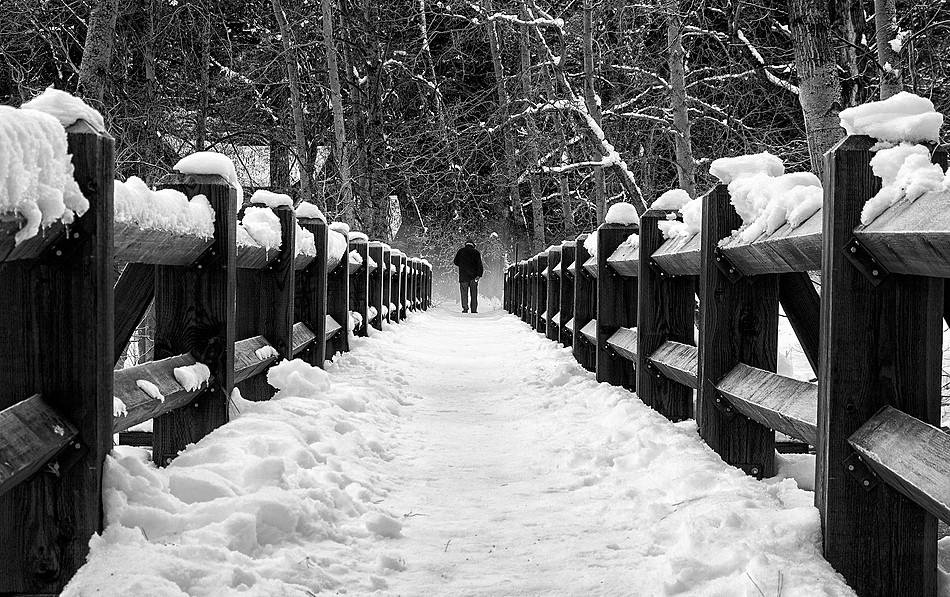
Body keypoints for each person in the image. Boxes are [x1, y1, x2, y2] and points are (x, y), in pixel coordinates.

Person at [453, 239, 484, 313]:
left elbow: (455, 262)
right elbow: (479, 265)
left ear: (466, 244)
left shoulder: (461, 251)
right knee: (474, 293)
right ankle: (474, 309)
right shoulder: (476, 253)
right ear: (473, 245)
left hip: (463, 276)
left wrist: (462, 265)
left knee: (464, 293)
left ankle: (465, 308)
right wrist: (479, 275)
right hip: (474, 276)